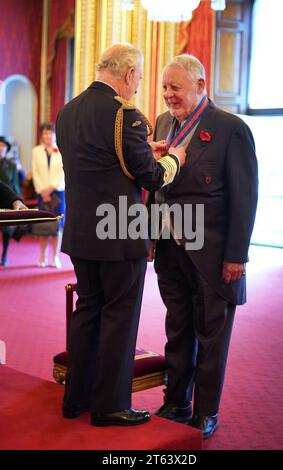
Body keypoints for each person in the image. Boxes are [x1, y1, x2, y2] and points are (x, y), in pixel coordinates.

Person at [55, 43, 186, 427]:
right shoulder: (124, 115)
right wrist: (174, 158)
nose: (138, 86)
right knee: (119, 318)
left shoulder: (68, 111)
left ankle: (75, 397)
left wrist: (144, 150)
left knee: (88, 311)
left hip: (80, 231)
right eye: (140, 79)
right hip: (118, 232)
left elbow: (101, 162)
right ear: (129, 75)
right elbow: (151, 176)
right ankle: (110, 405)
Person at [150, 54, 258, 439]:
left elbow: (244, 198)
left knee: (211, 334)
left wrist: (236, 256)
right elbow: (158, 187)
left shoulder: (231, 128)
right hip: (169, 248)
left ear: (200, 85)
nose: (167, 95)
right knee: (177, 327)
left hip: (213, 253)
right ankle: (177, 399)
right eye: (164, 87)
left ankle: (206, 410)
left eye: (175, 87)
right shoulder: (163, 123)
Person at [32, 123, 65, 268]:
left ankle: (55, 257)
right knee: (44, 226)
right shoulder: (36, 151)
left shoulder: (61, 150)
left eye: (50, 133)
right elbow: (35, 172)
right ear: (41, 136)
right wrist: (43, 191)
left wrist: (51, 188)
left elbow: (64, 172)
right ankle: (43, 257)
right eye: (45, 133)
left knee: (57, 226)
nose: (48, 136)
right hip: (42, 193)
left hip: (58, 191)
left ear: (54, 135)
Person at [0, 136, 22, 266]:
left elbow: (15, 184)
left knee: (7, 231)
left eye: (3, 146)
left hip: (7, 200)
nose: (0, 148)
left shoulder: (11, 165)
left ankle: (4, 255)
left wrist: (16, 199)